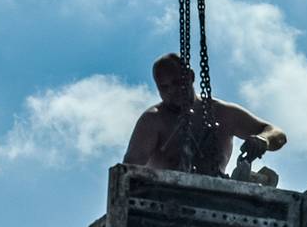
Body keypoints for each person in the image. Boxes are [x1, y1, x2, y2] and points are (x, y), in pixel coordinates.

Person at [123, 52, 287, 175]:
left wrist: (263, 140)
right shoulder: (153, 121)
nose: (172, 91)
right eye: (164, 87)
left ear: (191, 77)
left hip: (217, 200)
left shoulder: (222, 113)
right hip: (166, 203)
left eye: (176, 82)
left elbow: (278, 135)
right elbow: (129, 170)